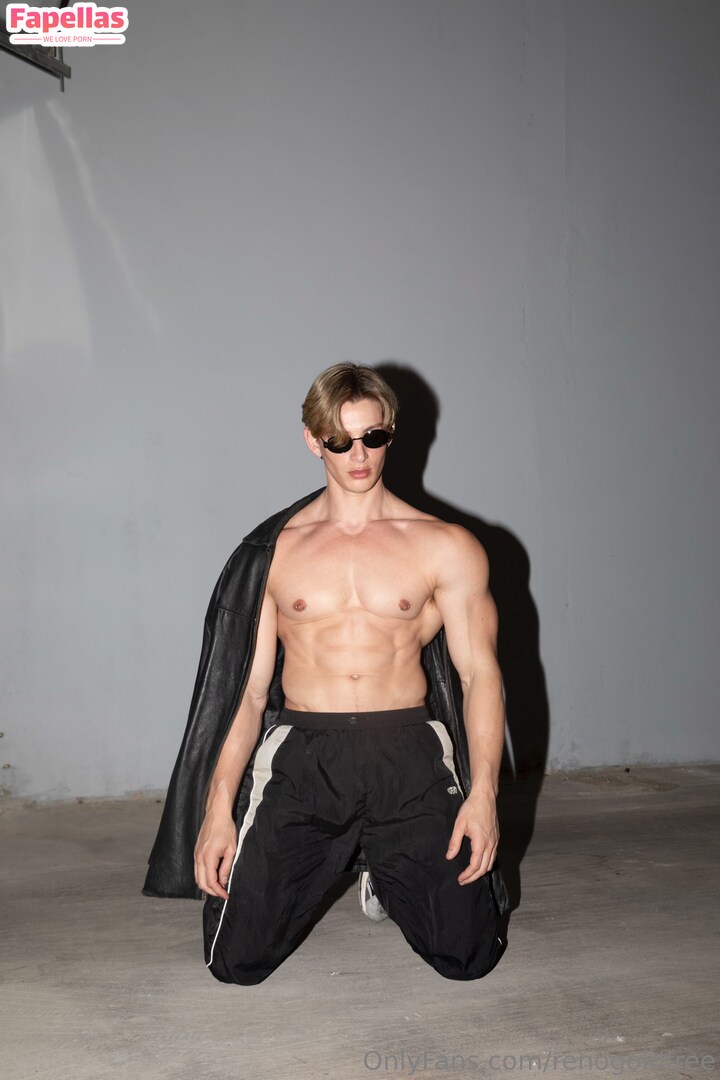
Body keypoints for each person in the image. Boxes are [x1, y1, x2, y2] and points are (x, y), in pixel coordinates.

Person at [142, 363, 508, 985]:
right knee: (236, 963)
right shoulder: (276, 551)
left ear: (391, 433)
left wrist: (485, 795)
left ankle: (382, 870)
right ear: (313, 440)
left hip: (408, 753)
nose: (358, 456)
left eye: (372, 437)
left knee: (468, 959)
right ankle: (363, 855)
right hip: (305, 756)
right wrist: (218, 810)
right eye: (339, 441)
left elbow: (479, 676)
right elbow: (247, 693)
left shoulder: (444, 545)